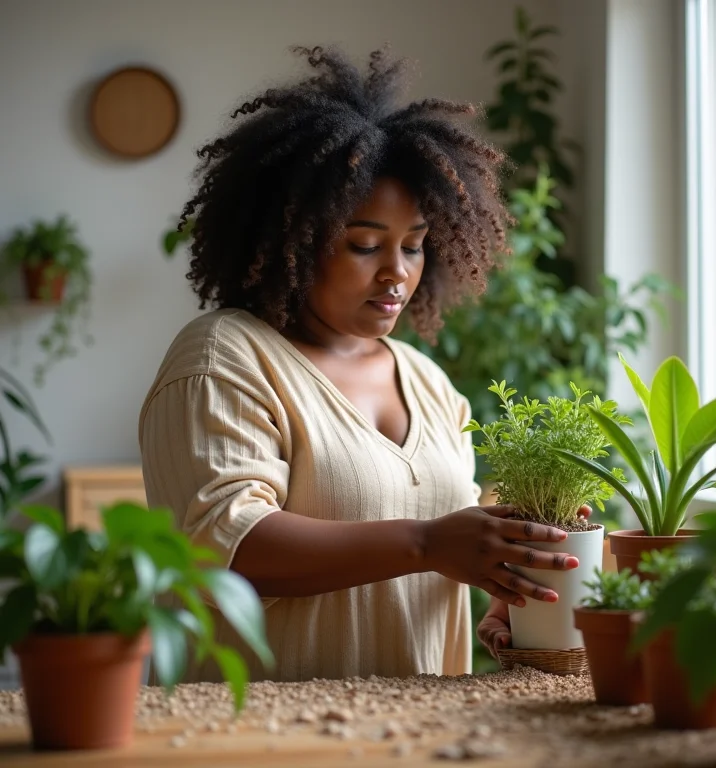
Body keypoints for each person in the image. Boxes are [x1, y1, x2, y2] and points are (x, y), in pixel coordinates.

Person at [139, 46, 587, 684]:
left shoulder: (428, 383)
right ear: (287, 236)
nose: (397, 273)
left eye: (415, 245)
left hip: (418, 740)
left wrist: (501, 587)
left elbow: (450, 546)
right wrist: (426, 545)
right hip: (259, 743)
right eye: (364, 244)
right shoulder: (223, 356)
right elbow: (230, 547)